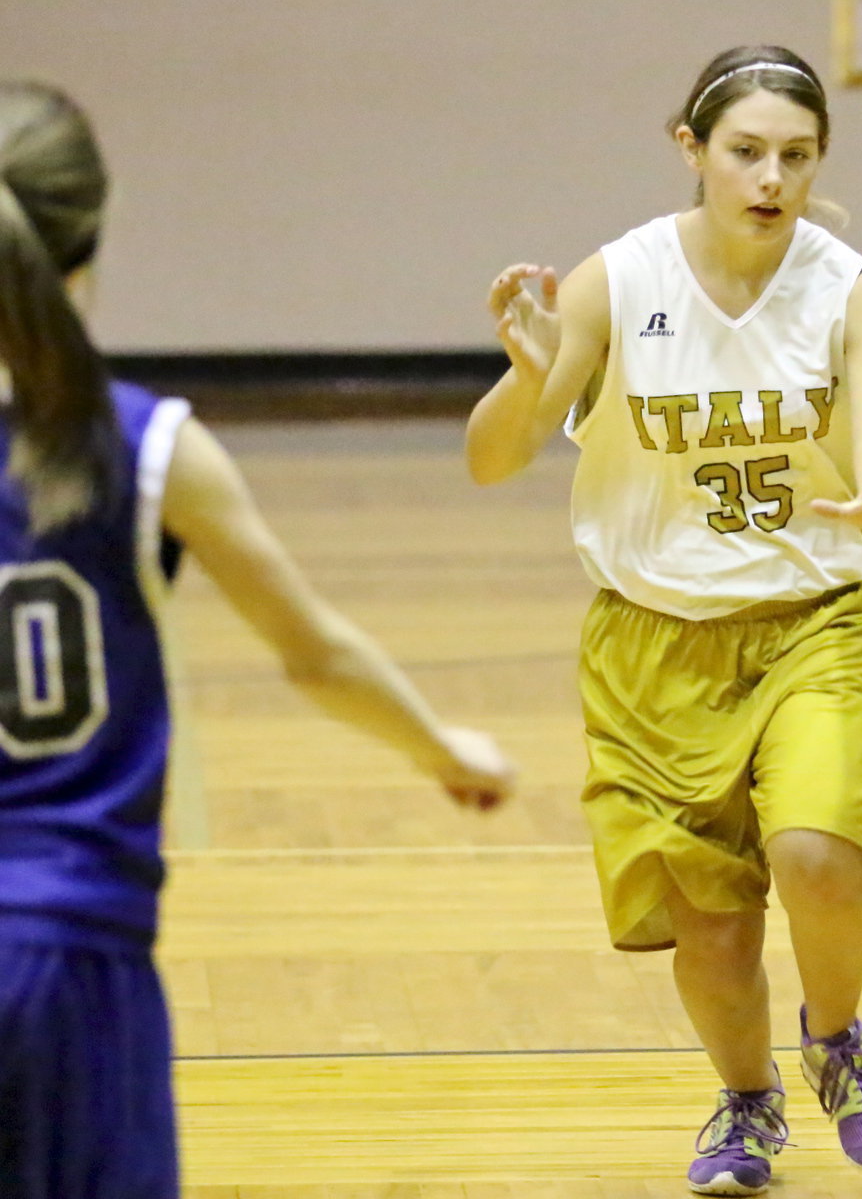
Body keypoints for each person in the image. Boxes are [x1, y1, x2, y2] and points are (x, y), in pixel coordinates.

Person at [0, 80, 515, 1198]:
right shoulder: (143, 447)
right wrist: (440, 747)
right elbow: (314, 651)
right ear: (95, 234)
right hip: (64, 956)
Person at [467, 44, 862, 1198]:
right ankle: (750, 1101)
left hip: (810, 623)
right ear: (693, 150)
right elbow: (490, 463)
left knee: (816, 854)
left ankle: (838, 1043)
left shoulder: (855, 291)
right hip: (648, 643)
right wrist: (527, 379)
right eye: (747, 152)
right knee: (713, 932)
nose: (772, 178)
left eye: (798, 157)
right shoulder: (615, 283)